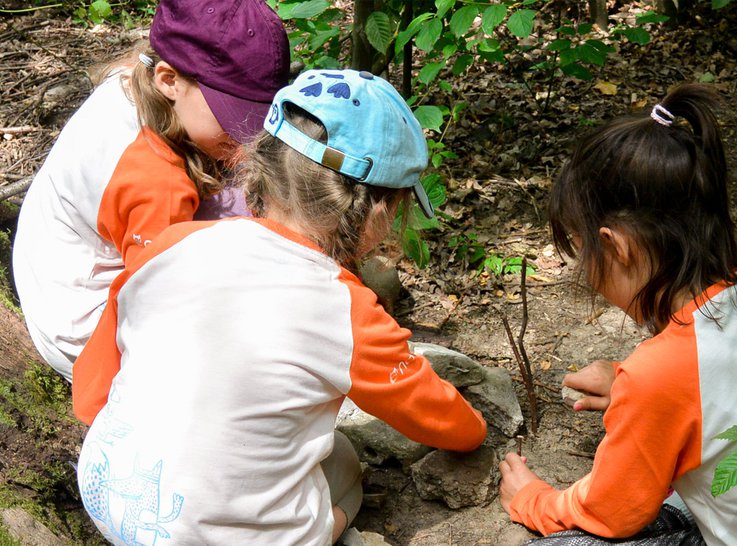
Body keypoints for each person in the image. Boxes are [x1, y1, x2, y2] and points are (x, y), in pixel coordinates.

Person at [74, 69, 487, 545]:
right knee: (345, 467)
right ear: (378, 212)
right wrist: (474, 430)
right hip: (207, 537)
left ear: (260, 163)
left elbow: (93, 390)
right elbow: (433, 414)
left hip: (107, 496)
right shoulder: (344, 307)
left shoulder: (170, 244)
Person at [499, 84, 737, 545]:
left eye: (583, 247)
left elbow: (612, 513)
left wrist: (532, 498)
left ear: (616, 246)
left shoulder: (660, 374)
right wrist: (632, 388)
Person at [12, 0, 290, 382]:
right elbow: (162, 310)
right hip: (86, 334)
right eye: (231, 115)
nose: (246, 137)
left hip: (54, 273)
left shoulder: (135, 83)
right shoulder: (156, 182)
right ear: (169, 80)